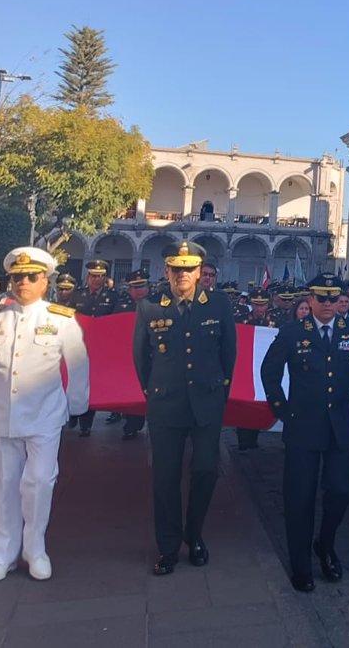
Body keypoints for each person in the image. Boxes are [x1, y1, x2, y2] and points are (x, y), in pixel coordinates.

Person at [0, 247, 88, 584]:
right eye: (17, 277)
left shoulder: (61, 318)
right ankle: (2, 556)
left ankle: (34, 549)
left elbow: (78, 364)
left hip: (44, 414)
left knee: (39, 481)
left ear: (45, 282)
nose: (23, 282)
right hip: (2, 414)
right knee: (6, 484)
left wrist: (74, 406)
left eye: (31, 277)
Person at [133, 241, 237, 575]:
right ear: (167, 271)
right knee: (165, 477)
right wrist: (154, 392)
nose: (182, 274)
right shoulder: (150, 306)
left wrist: (220, 392)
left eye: (189, 269)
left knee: (206, 470)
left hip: (206, 402)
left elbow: (228, 355)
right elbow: (140, 358)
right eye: (176, 269)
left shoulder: (218, 304)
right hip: (166, 403)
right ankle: (167, 546)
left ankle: (194, 535)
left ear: (199, 273)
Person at [261, 274, 349, 592]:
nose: (329, 305)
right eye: (323, 299)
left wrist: (339, 403)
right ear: (311, 300)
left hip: (340, 426)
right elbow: (270, 372)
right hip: (303, 425)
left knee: (340, 491)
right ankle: (301, 565)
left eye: (334, 299)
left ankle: (326, 543)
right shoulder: (293, 332)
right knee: (300, 499)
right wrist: (283, 409)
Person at [71, 259, 116, 436]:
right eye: (94, 276)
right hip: (79, 346)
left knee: (94, 385)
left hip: (101, 349)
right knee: (78, 381)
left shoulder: (113, 296)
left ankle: (86, 423)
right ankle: (75, 414)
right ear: (88, 277)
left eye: (101, 277)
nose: (97, 280)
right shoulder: (78, 295)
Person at [114, 270, 152, 440]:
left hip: (151, 357)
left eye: (142, 286)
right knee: (131, 390)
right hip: (127, 357)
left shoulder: (158, 306)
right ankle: (132, 424)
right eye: (135, 287)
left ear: (148, 288)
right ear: (129, 289)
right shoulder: (122, 306)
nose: (139, 291)